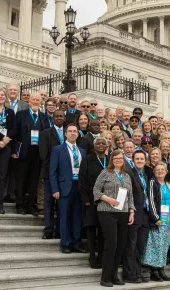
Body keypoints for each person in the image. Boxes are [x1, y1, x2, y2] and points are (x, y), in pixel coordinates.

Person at [93, 149, 135, 287]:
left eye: (120, 158)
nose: (118, 160)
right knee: (112, 243)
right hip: (107, 211)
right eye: (115, 158)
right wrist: (108, 199)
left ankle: (114, 275)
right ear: (112, 160)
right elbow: (96, 191)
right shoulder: (105, 173)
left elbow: (130, 197)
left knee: (121, 245)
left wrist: (132, 212)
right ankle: (105, 277)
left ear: (123, 160)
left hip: (123, 213)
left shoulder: (127, 176)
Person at [50, 123, 87, 254]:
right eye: (70, 131)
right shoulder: (58, 149)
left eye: (75, 131)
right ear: (65, 134)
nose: (72, 133)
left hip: (79, 187)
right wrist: (55, 189)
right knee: (64, 216)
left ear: (78, 134)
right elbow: (53, 171)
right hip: (64, 187)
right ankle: (65, 243)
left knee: (77, 216)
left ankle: (76, 243)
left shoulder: (82, 151)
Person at [13, 92, 49, 215]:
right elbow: (15, 133)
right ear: (29, 101)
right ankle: (20, 204)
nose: (35, 101)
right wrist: (14, 151)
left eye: (37, 100)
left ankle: (31, 205)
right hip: (23, 151)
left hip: (38, 153)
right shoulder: (20, 115)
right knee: (21, 179)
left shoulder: (44, 117)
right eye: (33, 99)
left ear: (40, 102)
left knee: (34, 180)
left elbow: (46, 135)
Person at [79, 138, 109, 269]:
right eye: (98, 143)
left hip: (107, 200)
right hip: (91, 199)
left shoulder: (110, 160)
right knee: (91, 227)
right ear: (94, 146)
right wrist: (85, 199)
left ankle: (101, 257)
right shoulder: (87, 159)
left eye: (103, 143)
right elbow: (82, 179)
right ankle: (92, 256)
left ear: (107, 145)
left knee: (103, 229)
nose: (101, 145)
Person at [122, 150, 152, 283]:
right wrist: (130, 211)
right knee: (131, 245)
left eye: (142, 159)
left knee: (141, 246)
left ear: (145, 161)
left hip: (145, 215)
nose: (140, 161)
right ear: (133, 161)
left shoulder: (146, 175)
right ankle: (129, 273)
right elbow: (126, 194)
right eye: (137, 159)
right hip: (133, 214)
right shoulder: (129, 174)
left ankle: (137, 272)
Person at [142, 162, 170, 282]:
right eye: (158, 170)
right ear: (154, 172)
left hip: (167, 218)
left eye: (162, 170)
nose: (160, 172)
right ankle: (154, 271)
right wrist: (155, 218)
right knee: (155, 245)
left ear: (166, 172)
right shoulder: (152, 182)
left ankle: (161, 269)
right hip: (158, 219)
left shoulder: (169, 185)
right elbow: (150, 200)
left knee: (164, 245)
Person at [39, 110, 66, 239]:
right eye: (57, 116)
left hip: (65, 175)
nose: (59, 118)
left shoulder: (69, 133)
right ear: (53, 118)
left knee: (62, 204)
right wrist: (55, 169)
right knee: (49, 202)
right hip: (50, 173)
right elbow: (43, 155)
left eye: (61, 116)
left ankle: (60, 231)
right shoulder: (45, 134)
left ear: (64, 118)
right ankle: (48, 229)